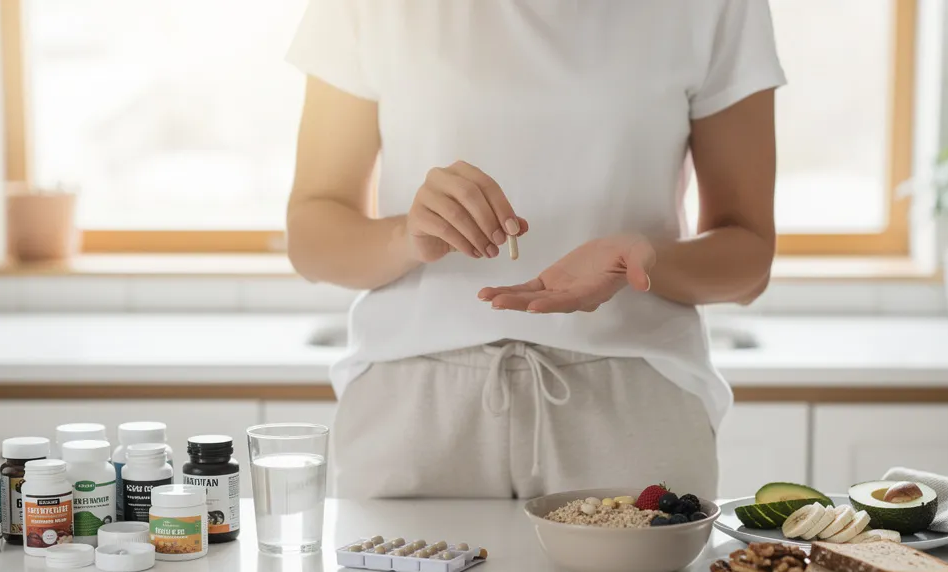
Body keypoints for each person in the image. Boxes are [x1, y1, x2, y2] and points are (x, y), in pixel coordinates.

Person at [286, 1, 783, 500]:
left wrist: (644, 257)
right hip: (411, 409)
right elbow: (311, 238)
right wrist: (406, 237)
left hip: (634, 403)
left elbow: (748, 258)